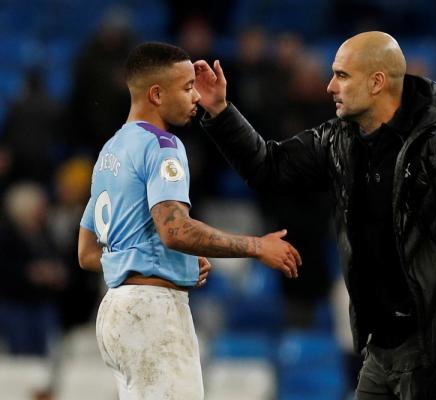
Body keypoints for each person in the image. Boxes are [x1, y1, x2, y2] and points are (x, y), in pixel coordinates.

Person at [195, 31, 436, 399]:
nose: (330, 86)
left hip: (435, 348)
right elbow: (268, 167)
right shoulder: (337, 139)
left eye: (342, 75)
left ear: (377, 82)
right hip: (379, 349)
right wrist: (221, 113)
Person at [77, 42, 301, 400]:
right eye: (186, 88)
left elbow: (87, 253)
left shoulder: (110, 152)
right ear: (155, 93)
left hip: (116, 312)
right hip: (152, 314)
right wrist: (258, 247)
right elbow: (175, 230)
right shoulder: (163, 145)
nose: (195, 96)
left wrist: (153, 259)